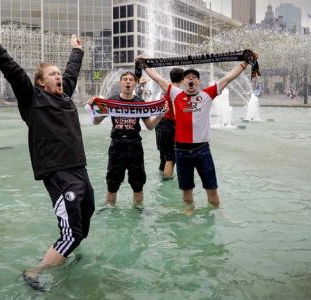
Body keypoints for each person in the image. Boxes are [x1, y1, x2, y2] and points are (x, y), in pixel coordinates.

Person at [0, 18, 95, 290]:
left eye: (59, 74)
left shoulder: (64, 95)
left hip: (78, 168)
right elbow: (11, 69)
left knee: (85, 217)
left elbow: (71, 71)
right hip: (58, 172)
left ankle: (63, 254)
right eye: (52, 75)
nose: (59, 77)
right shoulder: (33, 98)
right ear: (40, 82)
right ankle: (33, 271)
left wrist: (77, 50)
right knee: (72, 232)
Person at [141, 53, 257, 215]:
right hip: (181, 151)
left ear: (198, 82)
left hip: (202, 150)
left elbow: (228, 78)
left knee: (212, 189)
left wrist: (245, 63)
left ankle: (218, 212)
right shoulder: (176, 94)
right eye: (187, 77)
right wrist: (144, 65)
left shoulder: (207, 94)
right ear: (184, 82)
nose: (190, 79)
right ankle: (189, 210)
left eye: (194, 78)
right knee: (186, 192)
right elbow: (158, 79)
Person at [89, 71, 163, 208]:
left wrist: (159, 115)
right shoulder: (112, 100)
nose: (128, 82)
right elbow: (96, 122)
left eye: (131, 80)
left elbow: (149, 126)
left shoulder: (140, 102)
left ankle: (138, 211)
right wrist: (94, 109)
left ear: (135, 83)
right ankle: (110, 209)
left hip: (135, 146)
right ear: (120, 83)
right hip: (117, 146)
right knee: (112, 183)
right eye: (125, 79)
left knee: (138, 183)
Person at [155, 67, 183, 180]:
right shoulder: (177, 92)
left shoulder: (163, 91)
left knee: (164, 155)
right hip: (170, 125)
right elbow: (176, 112)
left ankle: (162, 177)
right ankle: (166, 183)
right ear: (182, 79)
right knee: (170, 157)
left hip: (160, 124)